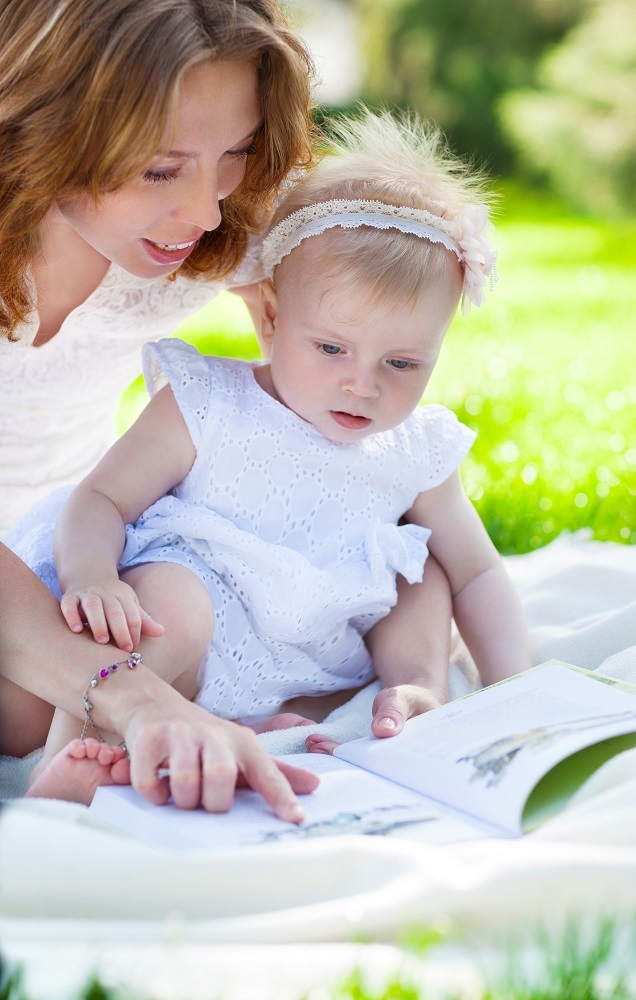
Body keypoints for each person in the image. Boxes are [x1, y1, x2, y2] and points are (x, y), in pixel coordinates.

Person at [0, 0, 451, 816]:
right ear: (41, 121)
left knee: (402, 562)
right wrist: (141, 701)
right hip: (51, 577)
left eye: (236, 153)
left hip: (97, 567)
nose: (206, 209)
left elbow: (349, 302)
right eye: (160, 169)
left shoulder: (207, 230)